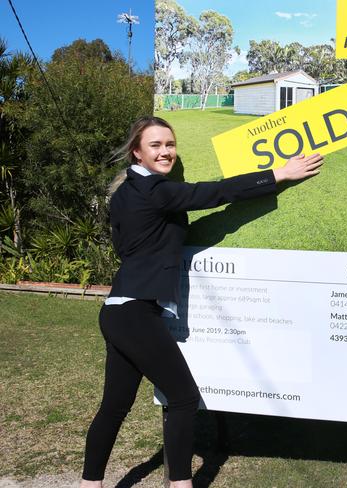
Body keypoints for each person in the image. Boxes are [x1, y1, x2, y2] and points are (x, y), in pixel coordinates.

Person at [80, 116, 323, 488]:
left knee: (114, 408)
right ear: (137, 152)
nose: (165, 152)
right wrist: (278, 174)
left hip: (118, 309)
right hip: (135, 311)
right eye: (156, 145)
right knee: (182, 398)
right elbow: (214, 193)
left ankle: (89, 483)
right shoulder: (155, 190)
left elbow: (128, 245)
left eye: (169, 144)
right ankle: (181, 484)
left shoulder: (127, 192)